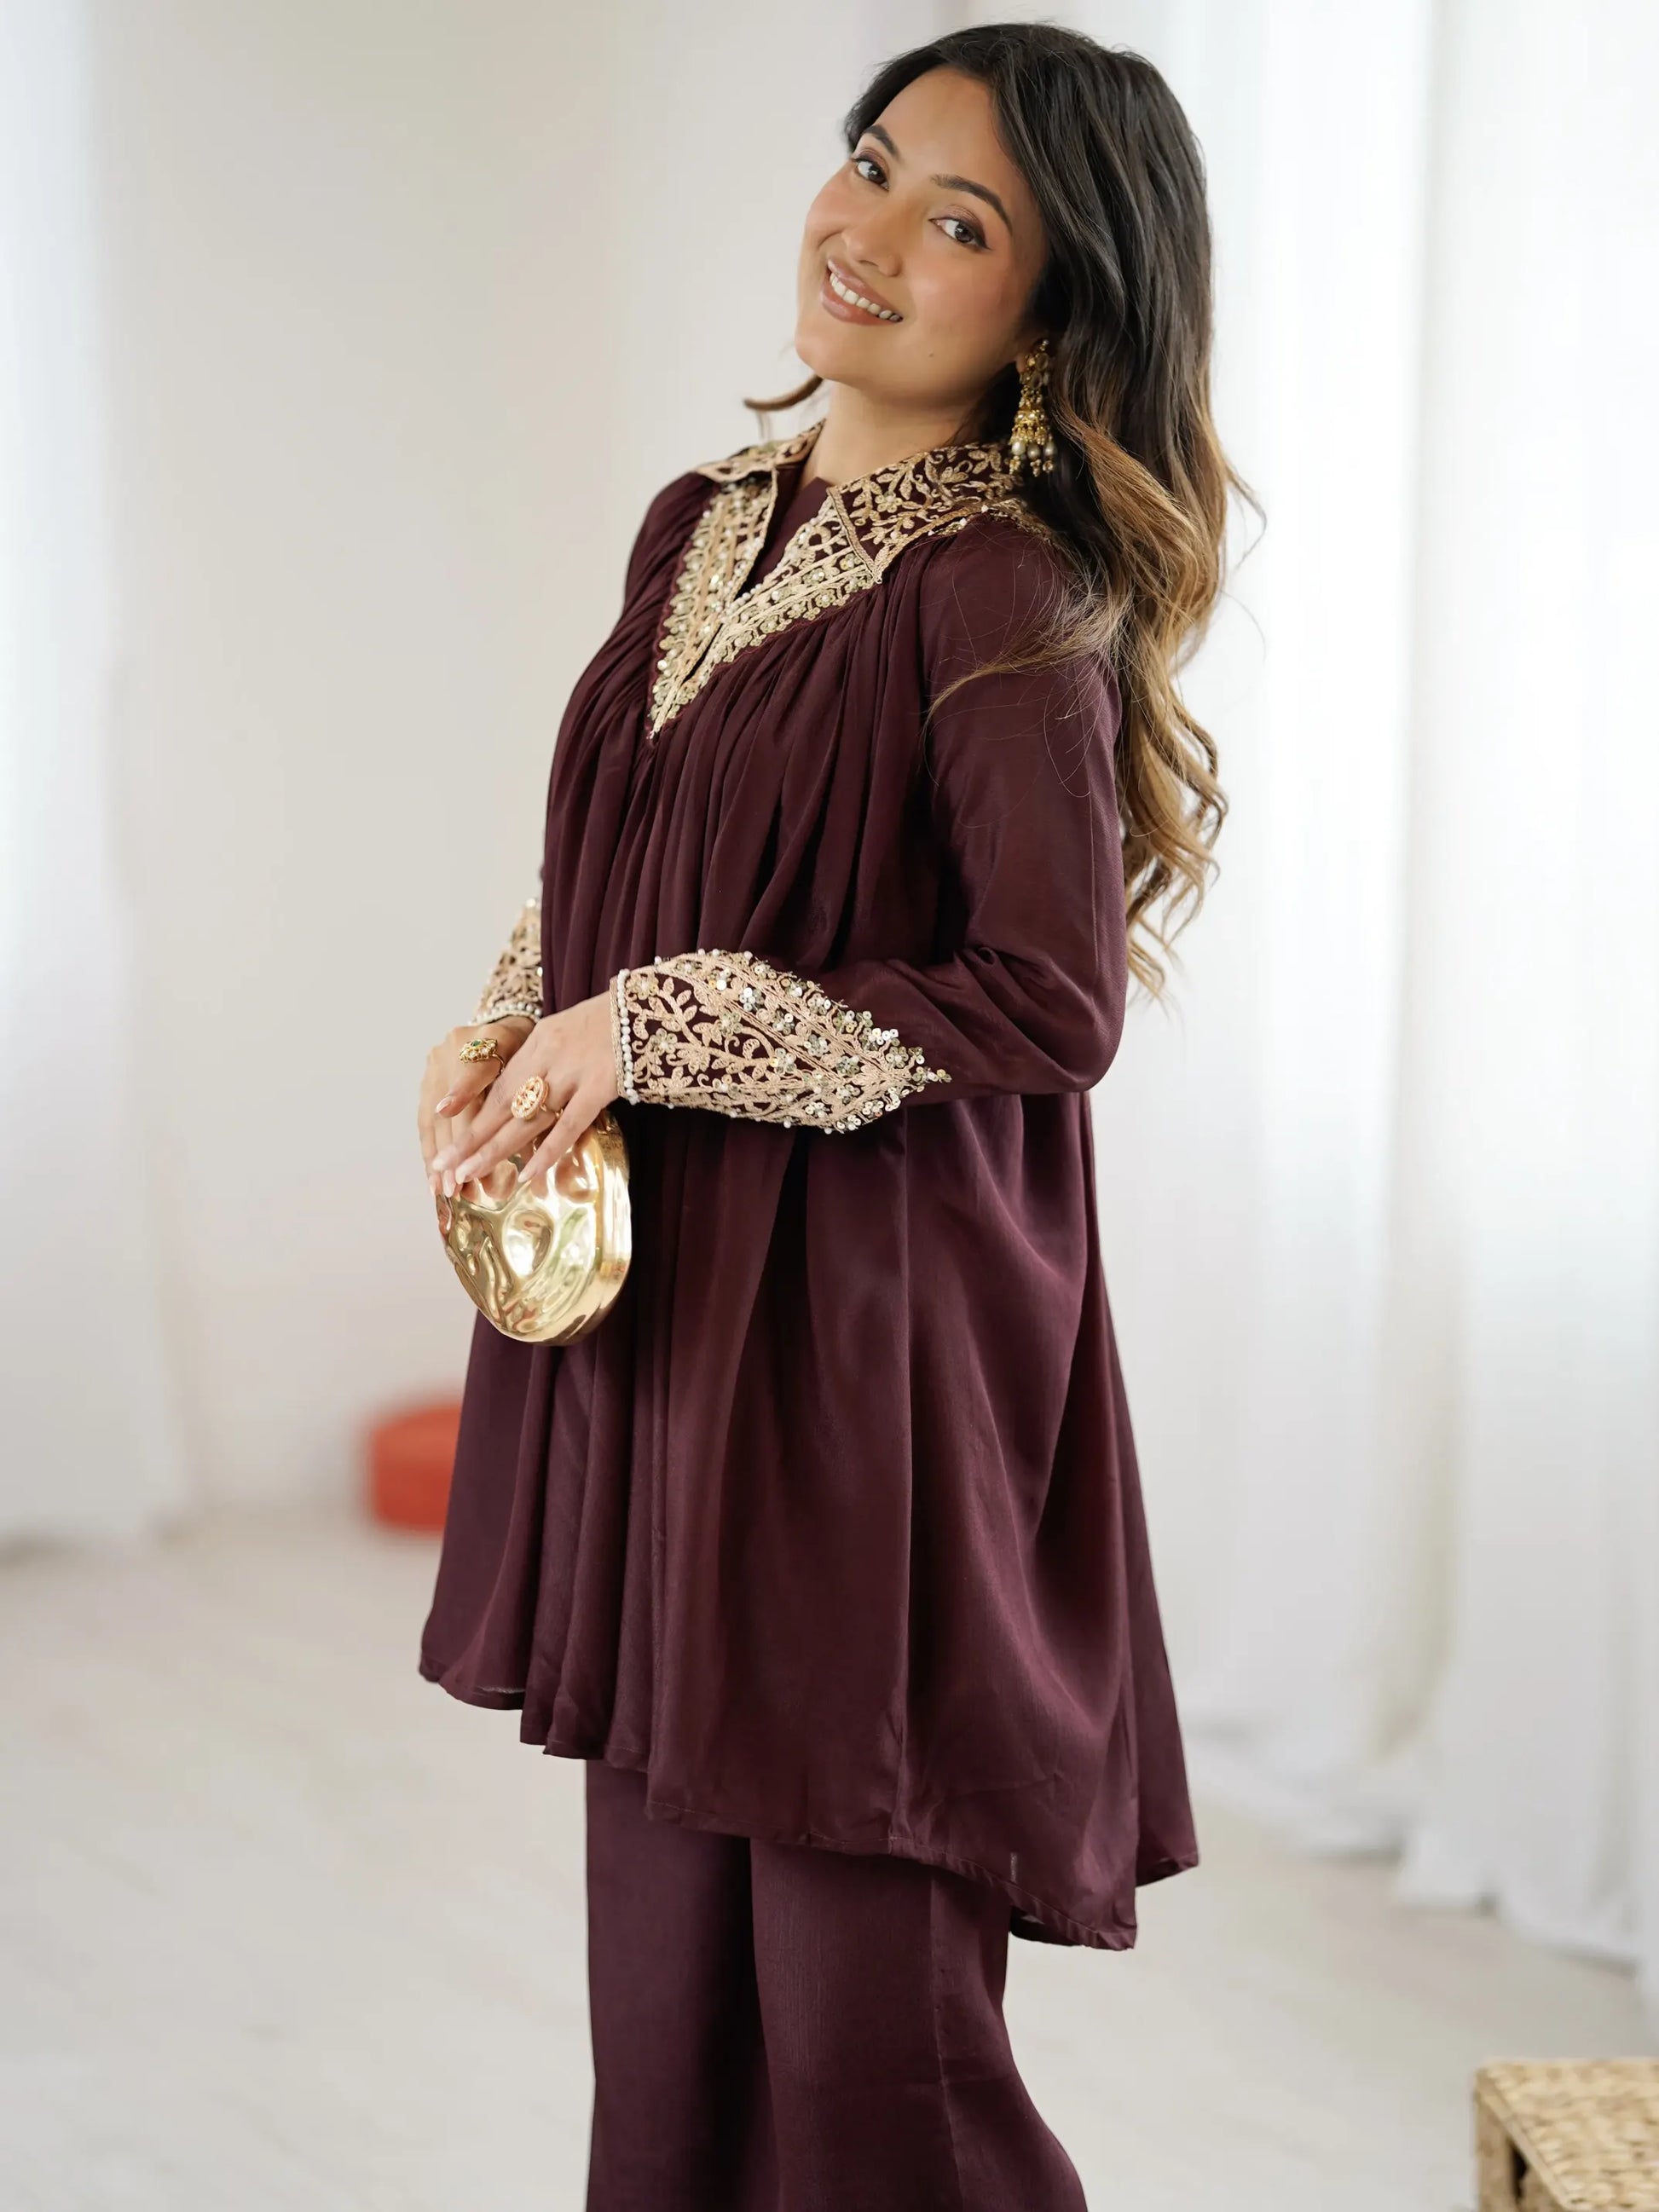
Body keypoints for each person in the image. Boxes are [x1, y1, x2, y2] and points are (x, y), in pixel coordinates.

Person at [416, 23, 1246, 2210]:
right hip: (679, 1339)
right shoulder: (699, 524)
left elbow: (1047, 999)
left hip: (870, 1369)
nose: (864, 234)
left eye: (956, 219)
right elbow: (631, 844)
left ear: (1053, 313)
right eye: (869, 166)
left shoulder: (999, 592)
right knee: (668, 2018)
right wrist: (514, 1024)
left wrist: (651, 1022)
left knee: (872, 2057)